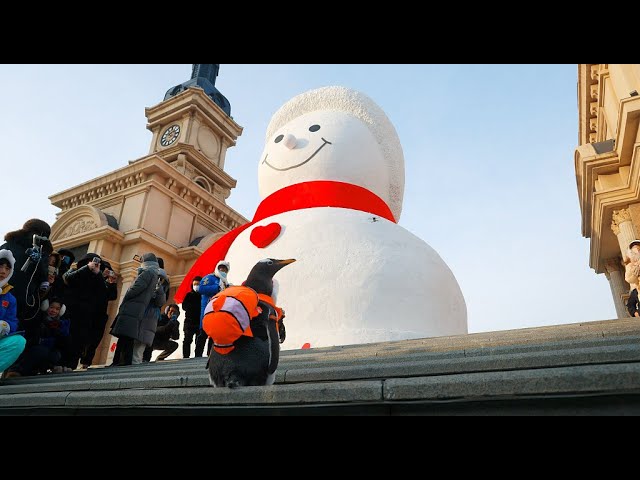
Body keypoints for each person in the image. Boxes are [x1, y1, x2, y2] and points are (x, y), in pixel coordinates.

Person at [62, 253, 118, 370]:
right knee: (68, 340)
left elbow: (105, 294)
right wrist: (87, 268)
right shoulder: (76, 271)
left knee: (81, 343)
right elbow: (68, 278)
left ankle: (73, 365)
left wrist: (106, 280)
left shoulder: (96, 277)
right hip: (72, 314)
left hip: (88, 317)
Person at [110, 253, 165, 366]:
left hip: (132, 309)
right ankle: (120, 361)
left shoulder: (147, 273)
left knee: (125, 337)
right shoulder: (154, 275)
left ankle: (121, 362)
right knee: (127, 337)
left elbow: (136, 289)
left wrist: (128, 294)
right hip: (138, 310)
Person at [0, 219, 52, 323]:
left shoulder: (7, 245)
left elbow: (43, 278)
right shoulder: (41, 249)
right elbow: (43, 278)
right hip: (18, 298)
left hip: (13, 295)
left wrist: (39, 261)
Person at [6, 297, 72, 377]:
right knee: (40, 351)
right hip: (34, 350)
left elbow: (64, 344)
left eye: (57, 309)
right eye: (51, 307)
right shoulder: (38, 319)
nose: (54, 311)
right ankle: (19, 370)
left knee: (55, 355)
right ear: (46, 306)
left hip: (49, 353)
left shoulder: (61, 324)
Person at [195, 261, 230, 357]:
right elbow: (201, 289)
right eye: (221, 268)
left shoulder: (225, 282)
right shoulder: (209, 278)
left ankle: (210, 355)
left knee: (214, 335)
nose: (223, 270)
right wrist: (216, 288)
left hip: (218, 311)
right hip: (207, 309)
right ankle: (197, 356)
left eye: (225, 269)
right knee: (203, 333)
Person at [0, 250, 26, 377]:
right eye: (0, 266)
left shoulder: (10, 298)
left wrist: (5, 325)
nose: (3, 271)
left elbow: (13, 320)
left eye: (7, 268)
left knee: (18, 341)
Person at [181, 275, 202, 358]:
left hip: (199, 322)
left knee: (199, 340)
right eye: (195, 284)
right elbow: (184, 306)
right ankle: (185, 357)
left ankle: (198, 356)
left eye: (198, 284)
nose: (196, 286)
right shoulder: (189, 295)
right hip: (189, 321)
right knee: (187, 340)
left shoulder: (203, 296)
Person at [626, 240, 640, 318]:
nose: (637, 251)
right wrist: (635, 313)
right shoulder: (631, 266)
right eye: (634, 251)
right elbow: (630, 279)